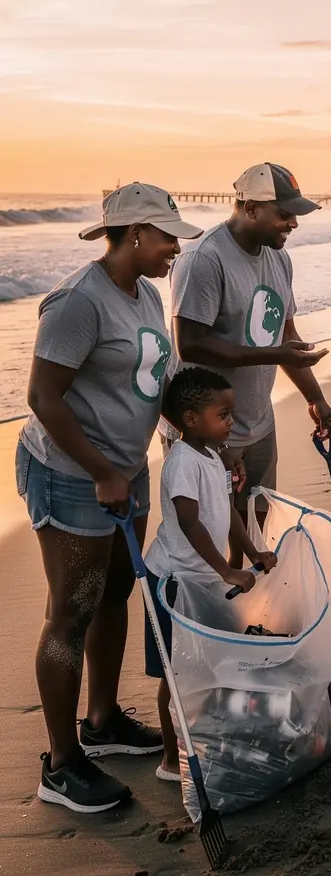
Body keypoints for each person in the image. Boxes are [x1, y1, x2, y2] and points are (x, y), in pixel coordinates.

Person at [17, 183, 202, 812]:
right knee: (71, 608)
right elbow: (43, 398)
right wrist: (100, 470)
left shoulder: (146, 291)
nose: (177, 247)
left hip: (126, 469)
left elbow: (160, 378)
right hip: (71, 474)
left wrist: (194, 440)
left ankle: (102, 724)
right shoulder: (77, 303)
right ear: (134, 235)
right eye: (168, 235)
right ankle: (61, 764)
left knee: (117, 590)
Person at [166, 163, 331, 559]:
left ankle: (250, 615)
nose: (293, 223)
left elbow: (286, 339)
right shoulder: (203, 259)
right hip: (203, 426)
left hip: (259, 420)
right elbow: (189, 346)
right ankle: (216, 618)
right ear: (249, 208)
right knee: (209, 535)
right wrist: (272, 354)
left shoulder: (279, 259)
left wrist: (316, 399)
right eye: (284, 213)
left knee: (256, 528)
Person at [145, 368, 278, 780]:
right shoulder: (182, 462)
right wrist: (226, 570)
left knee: (206, 664)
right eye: (223, 415)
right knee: (175, 672)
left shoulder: (213, 456)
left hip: (201, 579)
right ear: (190, 419)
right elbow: (190, 522)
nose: (231, 422)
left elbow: (226, 515)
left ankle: (203, 739)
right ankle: (171, 760)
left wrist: (253, 551)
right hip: (172, 581)